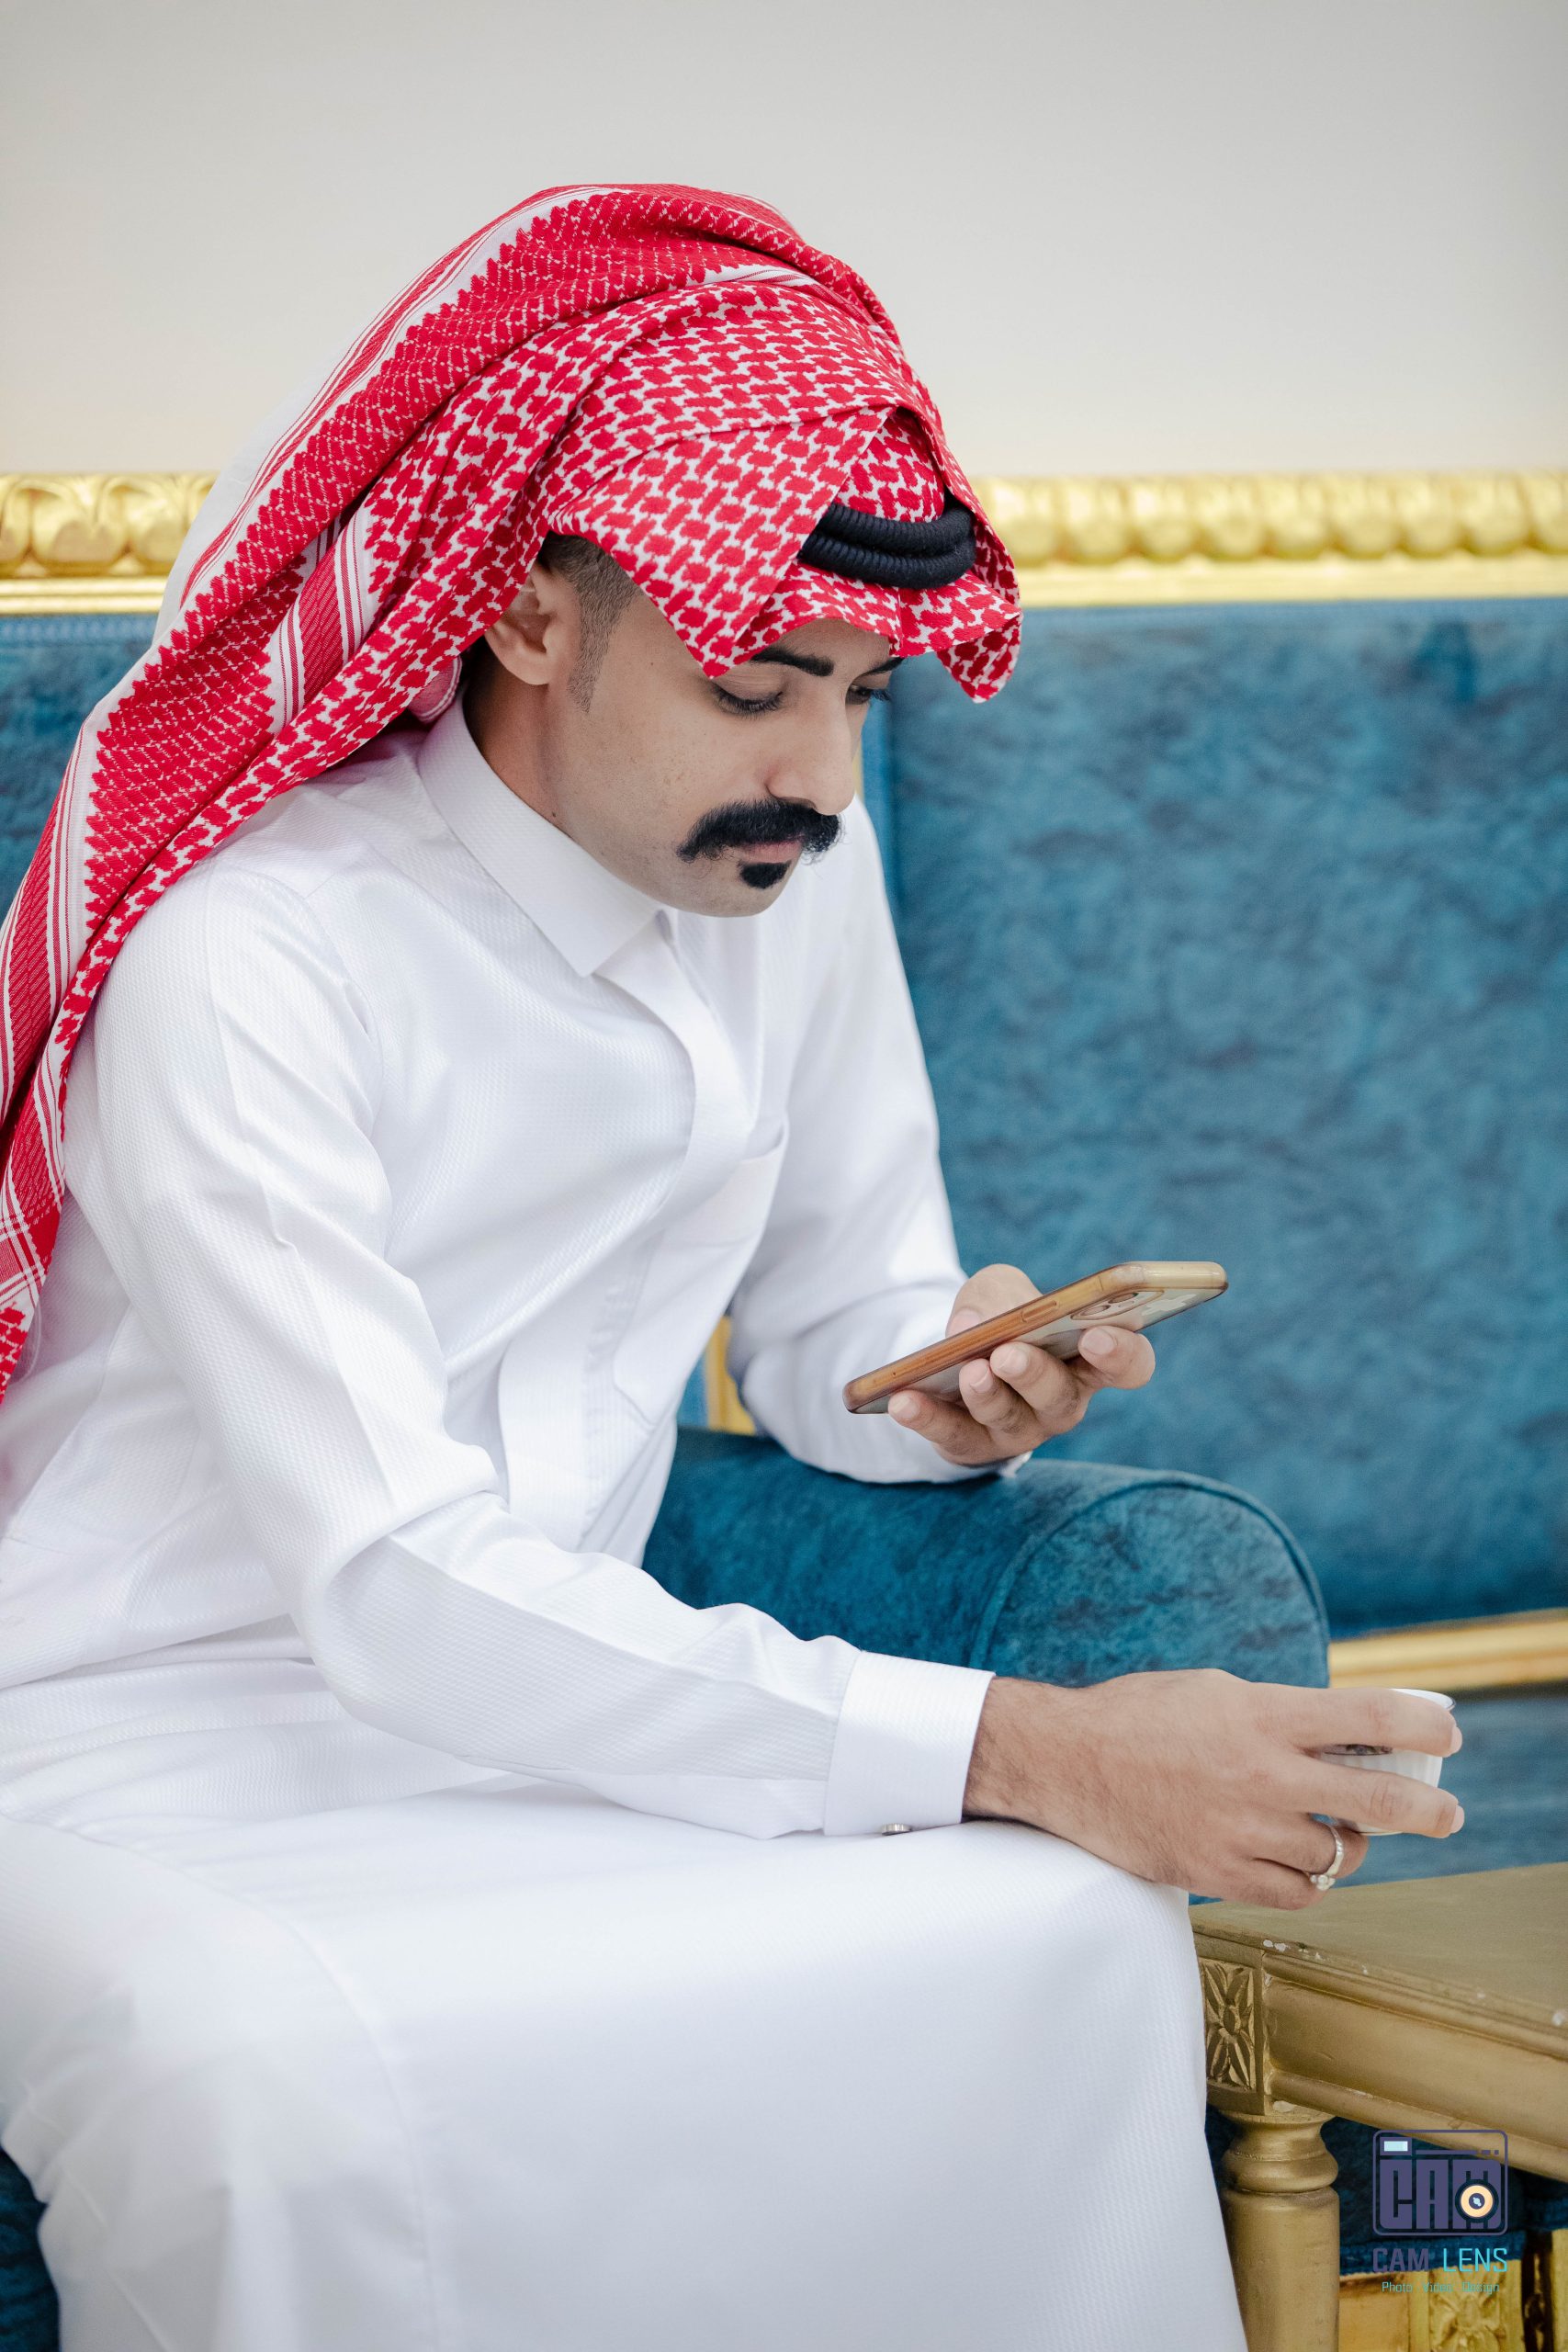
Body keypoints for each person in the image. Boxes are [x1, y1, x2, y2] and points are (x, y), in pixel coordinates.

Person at [0, 184, 1461, 2352]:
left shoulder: (778, 871)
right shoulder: (250, 962)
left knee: (1057, 1950)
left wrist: (943, 1376)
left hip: (560, 1729)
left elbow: (832, 1319)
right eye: (757, 686)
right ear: (524, 617)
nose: (821, 775)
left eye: (860, 694)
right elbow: (390, 1579)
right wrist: (1029, 1744)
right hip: (126, 1757)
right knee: (265, 2094)